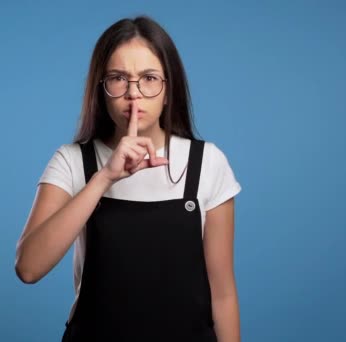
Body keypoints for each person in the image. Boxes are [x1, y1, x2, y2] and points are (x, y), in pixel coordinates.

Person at [15, 15, 242, 342]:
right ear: (101, 89)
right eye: (118, 78)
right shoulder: (73, 161)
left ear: (168, 89)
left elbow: (222, 294)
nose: (134, 94)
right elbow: (28, 268)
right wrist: (104, 178)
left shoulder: (207, 163)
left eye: (149, 78)